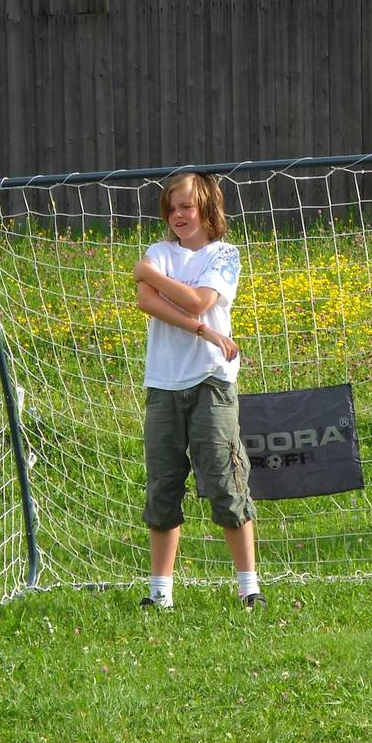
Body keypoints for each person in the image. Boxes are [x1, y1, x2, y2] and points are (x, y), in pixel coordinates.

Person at [133, 171, 263, 610]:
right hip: (163, 385)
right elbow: (146, 302)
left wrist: (153, 279)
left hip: (212, 382)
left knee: (226, 483)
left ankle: (248, 587)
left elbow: (198, 301)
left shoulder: (224, 255)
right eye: (171, 208)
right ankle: (160, 594)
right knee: (162, 487)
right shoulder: (158, 252)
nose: (178, 215)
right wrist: (202, 331)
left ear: (207, 207)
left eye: (186, 206)